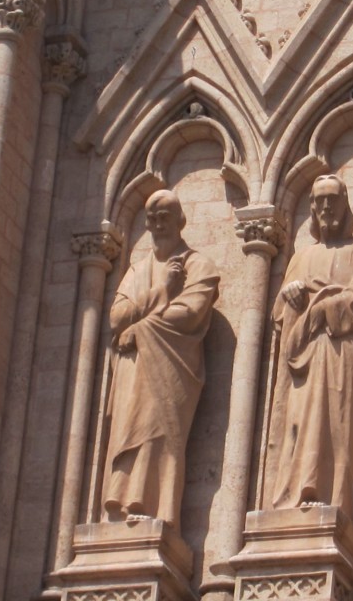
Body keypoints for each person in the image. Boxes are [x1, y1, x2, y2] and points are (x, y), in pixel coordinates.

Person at [102, 189, 219, 529]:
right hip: (133, 369)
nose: (158, 224)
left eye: (165, 216)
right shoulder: (138, 271)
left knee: (158, 432)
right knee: (128, 430)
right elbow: (117, 317)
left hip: (170, 367)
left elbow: (192, 311)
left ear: (180, 220)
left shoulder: (199, 265)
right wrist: (162, 291)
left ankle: (155, 506)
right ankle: (122, 500)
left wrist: (140, 329)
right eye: (152, 218)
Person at [272, 175, 353, 519]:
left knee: (338, 424)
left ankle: (332, 497)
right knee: (300, 422)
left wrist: (320, 304)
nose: (325, 207)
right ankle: (296, 492)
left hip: (342, 352)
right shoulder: (302, 257)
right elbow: (279, 315)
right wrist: (290, 296)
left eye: (332, 199)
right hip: (303, 354)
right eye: (318, 201)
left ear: (345, 204)